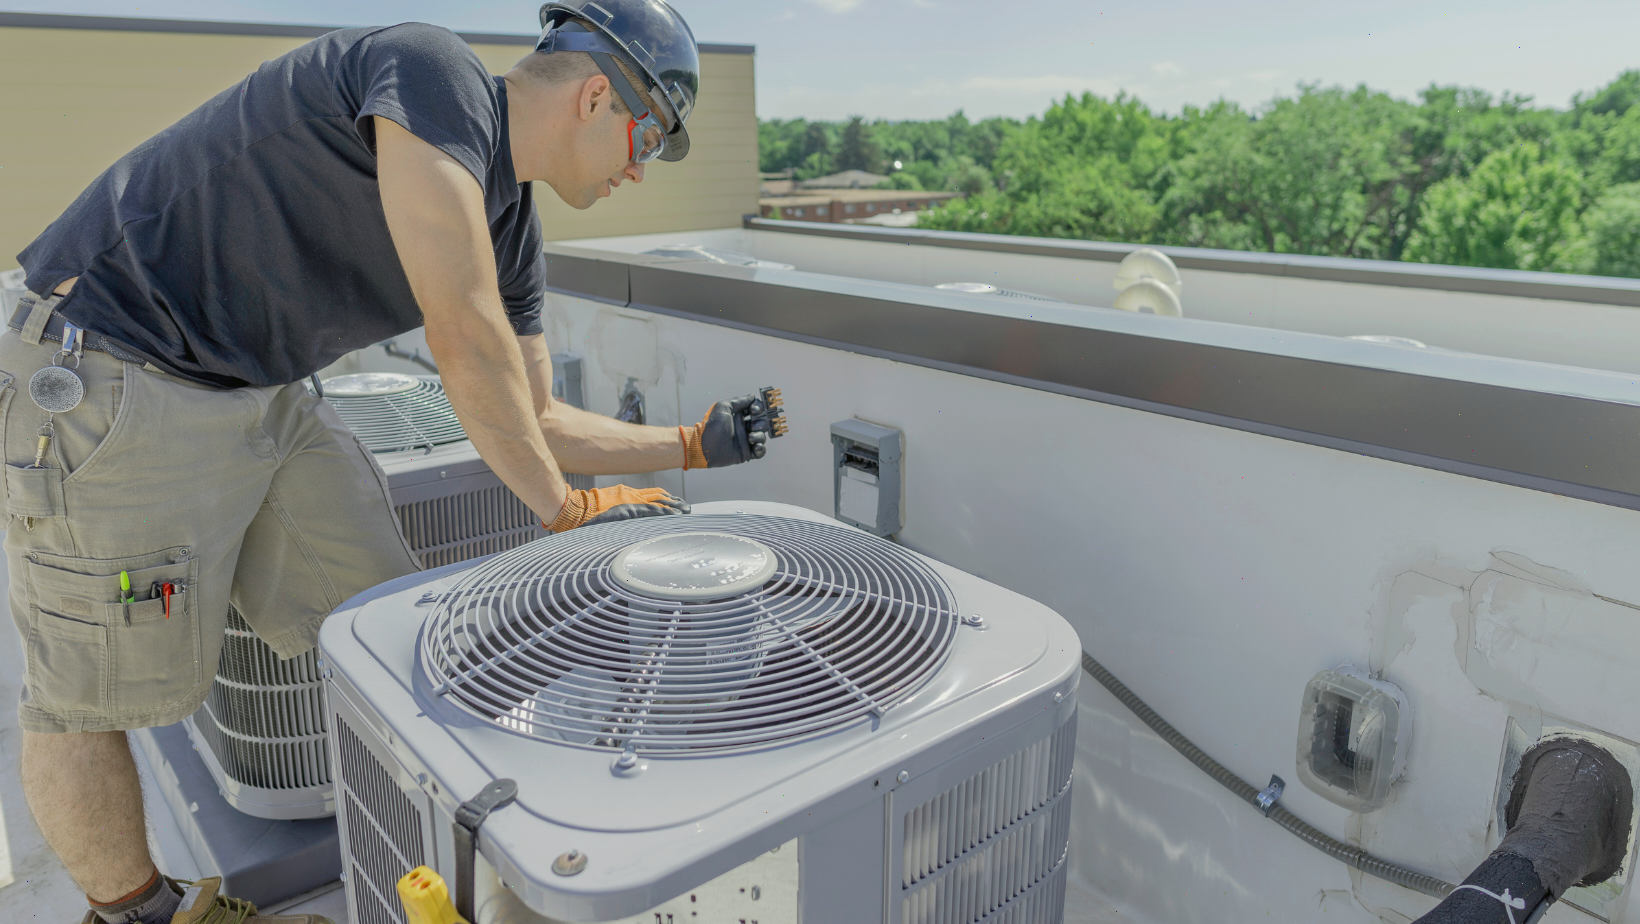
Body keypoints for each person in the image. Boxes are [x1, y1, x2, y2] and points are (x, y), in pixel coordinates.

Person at [5, 2, 770, 922]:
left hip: (261, 391)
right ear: (598, 95)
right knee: (89, 694)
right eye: (646, 138)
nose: (640, 169)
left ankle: (441, 854)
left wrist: (692, 446)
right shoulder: (432, 70)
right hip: (113, 367)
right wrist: (566, 510)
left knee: (384, 620)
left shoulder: (513, 225)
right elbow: (463, 333)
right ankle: (141, 914)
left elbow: (531, 411)